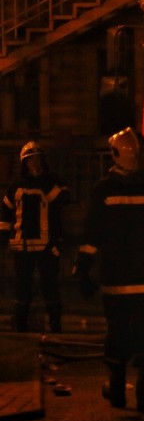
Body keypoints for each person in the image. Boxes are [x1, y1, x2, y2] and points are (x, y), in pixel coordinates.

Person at [73, 128, 144, 413]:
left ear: (116, 154)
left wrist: (82, 270)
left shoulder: (104, 189)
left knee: (117, 332)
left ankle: (117, 388)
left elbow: (91, 235)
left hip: (116, 279)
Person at [0, 141, 71, 333]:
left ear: (43, 160)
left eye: (37, 158)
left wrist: (47, 184)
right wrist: (4, 238)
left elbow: (64, 201)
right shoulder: (16, 187)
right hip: (21, 246)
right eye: (30, 159)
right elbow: (6, 213)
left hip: (47, 246)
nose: (34, 162)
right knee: (22, 286)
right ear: (24, 163)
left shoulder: (52, 182)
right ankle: (19, 323)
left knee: (50, 285)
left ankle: (55, 324)